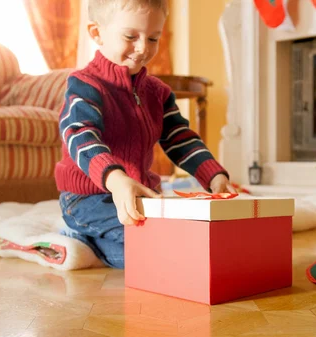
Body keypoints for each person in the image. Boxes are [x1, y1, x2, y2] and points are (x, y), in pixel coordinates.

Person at [55, 0, 235, 268]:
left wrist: (214, 174)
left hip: (142, 195)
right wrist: (116, 181)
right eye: (131, 36)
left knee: (186, 234)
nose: (143, 48)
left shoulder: (158, 92)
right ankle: (78, 234)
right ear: (97, 33)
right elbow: (80, 135)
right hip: (87, 199)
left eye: (153, 38)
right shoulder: (84, 84)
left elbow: (180, 138)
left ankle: (96, 241)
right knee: (157, 251)